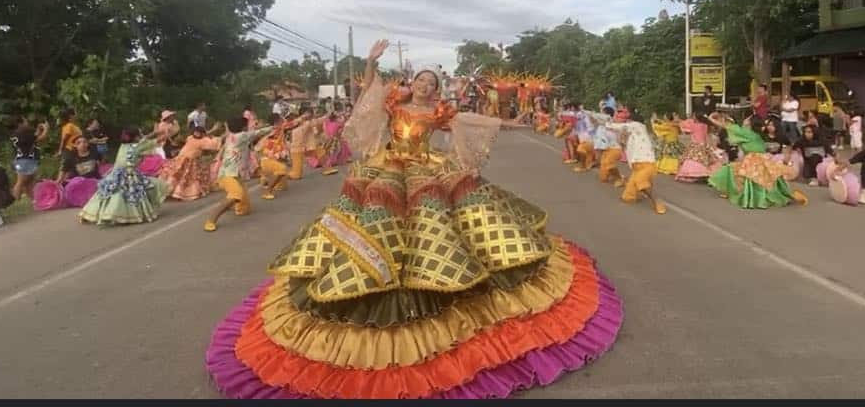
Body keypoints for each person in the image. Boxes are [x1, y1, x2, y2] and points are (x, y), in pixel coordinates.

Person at [205, 39, 621, 399]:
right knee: (375, 222)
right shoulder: (393, 103)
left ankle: (443, 286)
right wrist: (370, 63)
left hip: (427, 168)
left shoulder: (440, 113)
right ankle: (368, 278)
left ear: (436, 89)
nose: (424, 85)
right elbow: (366, 95)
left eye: (431, 83)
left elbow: (472, 121)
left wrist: (512, 121)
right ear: (412, 84)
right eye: (420, 80)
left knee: (445, 222)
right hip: (388, 170)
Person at [706, 113, 808, 209]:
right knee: (755, 176)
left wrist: (711, 118)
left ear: (750, 123)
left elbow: (726, 126)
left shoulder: (746, 132)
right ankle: (744, 193)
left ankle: (751, 197)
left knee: (735, 171)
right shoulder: (755, 134)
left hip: (753, 159)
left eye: (747, 119)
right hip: (762, 158)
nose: (745, 120)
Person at [79, 127, 168, 225]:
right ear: (136, 137)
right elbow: (154, 141)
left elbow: (144, 139)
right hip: (130, 174)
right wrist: (166, 133)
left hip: (115, 173)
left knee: (110, 194)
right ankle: (119, 214)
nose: (141, 136)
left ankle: (102, 214)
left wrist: (154, 133)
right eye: (140, 134)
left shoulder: (123, 146)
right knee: (139, 191)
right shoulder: (138, 146)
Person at [204, 118, 274, 232]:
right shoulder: (241, 136)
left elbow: (254, 131)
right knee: (237, 194)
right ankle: (211, 219)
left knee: (244, 209)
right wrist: (274, 127)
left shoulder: (231, 135)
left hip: (235, 174)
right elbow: (258, 132)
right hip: (227, 174)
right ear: (243, 128)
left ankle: (231, 204)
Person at [606, 109, 667, 214]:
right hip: (637, 165)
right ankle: (636, 192)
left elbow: (619, 127)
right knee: (627, 197)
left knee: (641, 183)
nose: (626, 122)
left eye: (628, 120)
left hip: (646, 163)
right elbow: (625, 144)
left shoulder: (638, 126)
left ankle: (657, 201)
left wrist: (607, 123)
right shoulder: (635, 133)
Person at [160, 124, 223, 201]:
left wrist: (217, 132)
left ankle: (177, 192)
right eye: (196, 132)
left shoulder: (199, 139)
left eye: (199, 133)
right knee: (179, 175)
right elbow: (211, 141)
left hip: (187, 160)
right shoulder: (195, 139)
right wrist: (216, 131)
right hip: (183, 159)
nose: (197, 134)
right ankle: (173, 191)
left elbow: (213, 142)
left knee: (182, 177)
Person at [9, 116, 49, 200]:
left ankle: (34, 200)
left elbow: (33, 138)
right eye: (25, 121)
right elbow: (40, 138)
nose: (27, 123)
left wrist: (38, 130)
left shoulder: (15, 134)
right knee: (21, 182)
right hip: (25, 160)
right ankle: (14, 200)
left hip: (20, 159)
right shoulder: (24, 133)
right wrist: (46, 129)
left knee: (29, 182)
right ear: (20, 124)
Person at [676, 114, 724, 182]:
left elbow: (684, 128)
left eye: (694, 116)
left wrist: (680, 120)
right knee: (705, 160)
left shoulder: (694, 126)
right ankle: (705, 174)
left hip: (695, 145)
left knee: (692, 159)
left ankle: (694, 174)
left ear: (696, 117)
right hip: (704, 145)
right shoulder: (705, 125)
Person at [318, 105, 352, 176]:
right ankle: (328, 164)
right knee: (332, 151)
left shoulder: (327, 122)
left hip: (328, 139)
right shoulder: (337, 124)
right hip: (334, 139)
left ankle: (329, 163)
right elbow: (342, 126)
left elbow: (325, 127)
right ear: (335, 118)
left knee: (330, 151)